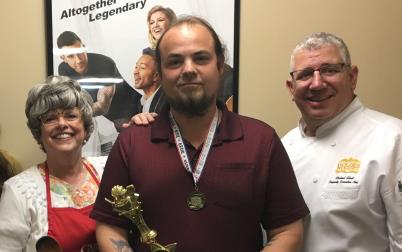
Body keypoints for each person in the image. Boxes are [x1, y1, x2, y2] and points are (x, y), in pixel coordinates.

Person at [91, 16, 309, 252]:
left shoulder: (261, 140)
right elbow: (110, 226)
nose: (188, 69)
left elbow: (287, 230)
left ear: (219, 65)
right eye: (174, 62)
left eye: (201, 58)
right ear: (161, 74)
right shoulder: (131, 142)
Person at [282, 32, 402, 251]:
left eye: (329, 70)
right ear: (291, 88)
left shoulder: (393, 139)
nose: (317, 84)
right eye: (305, 74)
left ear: (352, 77)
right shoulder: (283, 148)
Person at [0, 76, 106, 251]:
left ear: (85, 126)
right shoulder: (19, 191)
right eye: (50, 119)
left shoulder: (108, 169)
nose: (62, 124)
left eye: (71, 116)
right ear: (38, 132)